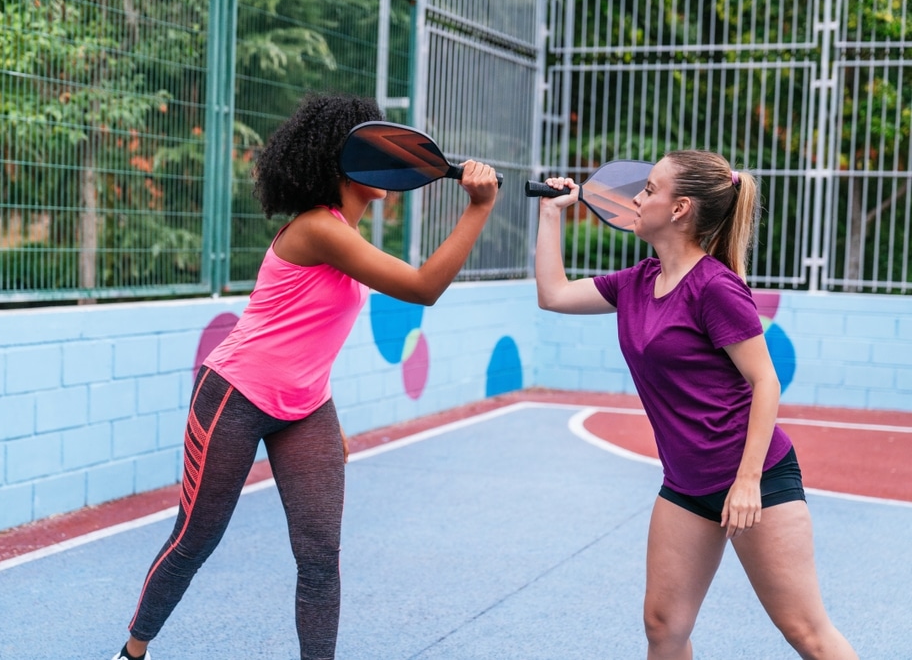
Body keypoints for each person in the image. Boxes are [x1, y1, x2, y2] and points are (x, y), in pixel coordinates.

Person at [109, 93, 499, 660]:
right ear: (341, 163)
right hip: (235, 396)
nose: (388, 167)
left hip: (307, 406)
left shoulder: (345, 233)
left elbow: (310, 332)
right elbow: (423, 289)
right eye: (373, 151)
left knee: (320, 558)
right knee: (196, 539)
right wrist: (479, 208)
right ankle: (134, 651)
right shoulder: (320, 229)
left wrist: (324, 408)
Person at [533, 151, 858, 660]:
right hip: (685, 484)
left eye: (649, 189)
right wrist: (551, 212)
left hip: (756, 479)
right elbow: (552, 294)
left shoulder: (715, 287)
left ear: (680, 207)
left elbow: (765, 381)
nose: (636, 198)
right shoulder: (637, 281)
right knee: (664, 627)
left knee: (806, 632)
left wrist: (748, 481)